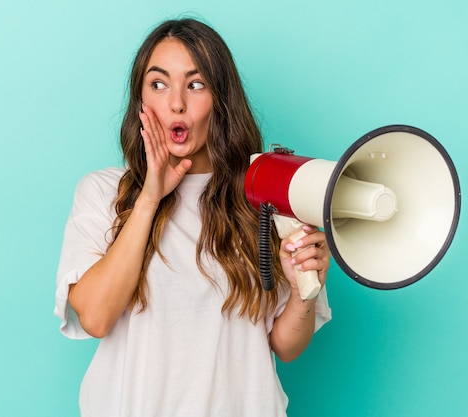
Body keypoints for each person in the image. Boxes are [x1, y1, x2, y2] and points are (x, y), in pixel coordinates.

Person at [54, 17, 332, 417]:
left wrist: (305, 288)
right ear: (141, 101)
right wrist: (150, 197)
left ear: (220, 100)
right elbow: (95, 317)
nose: (177, 103)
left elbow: (285, 346)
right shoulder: (102, 192)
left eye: (196, 84)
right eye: (159, 84)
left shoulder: (264, 197)